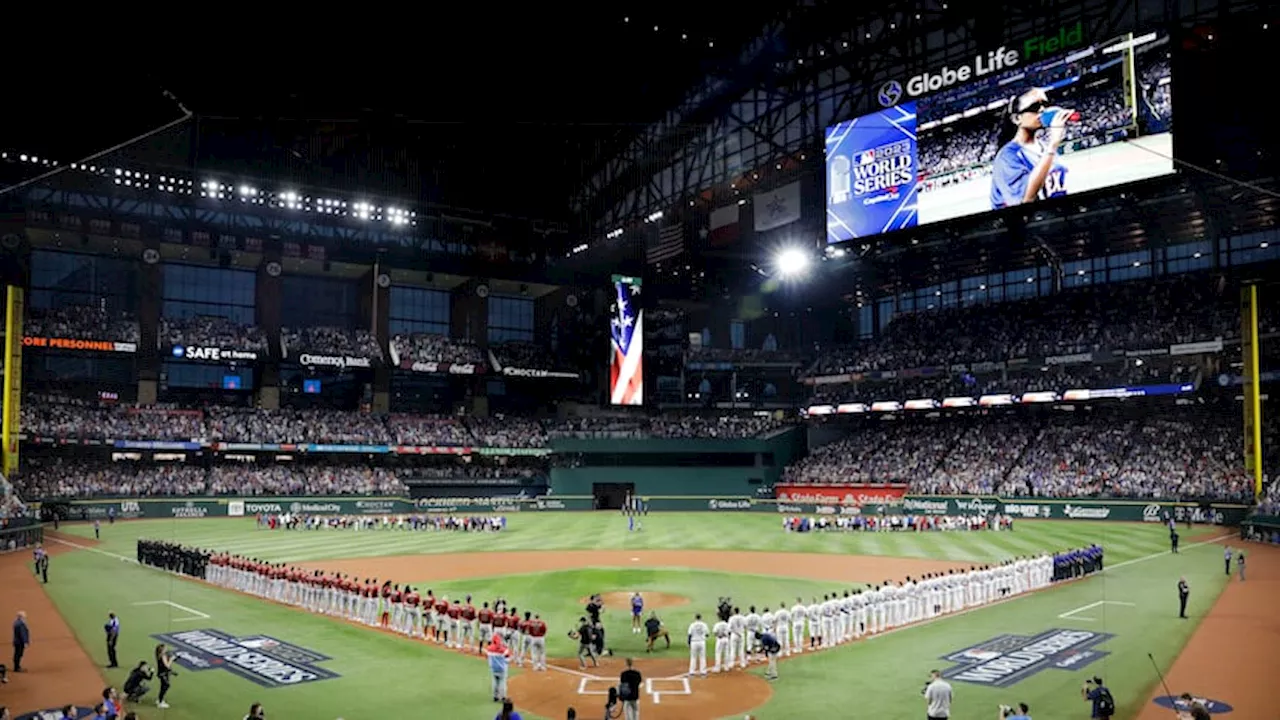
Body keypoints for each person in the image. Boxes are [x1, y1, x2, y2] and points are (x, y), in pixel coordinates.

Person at [990, 87, 1072, 209]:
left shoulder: (1044, 147)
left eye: (1045, 104)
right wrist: (1053, 143)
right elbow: (1025, 201)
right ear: (1017, 119)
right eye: (1034, 107)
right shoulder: (1007, 156)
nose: (1042, 110)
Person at [486, 633, 511, 702]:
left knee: (495, 682)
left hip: (493, 668)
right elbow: (508, 657)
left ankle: (495, 696)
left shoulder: (489, 649)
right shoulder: (503, 649)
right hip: (502, 669)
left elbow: (488, 655)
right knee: (502, 682)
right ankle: (503, 696)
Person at [154, 643, 174, 709]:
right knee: (165, 686)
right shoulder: (163, 656)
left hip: (162, 673)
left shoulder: (159, 656)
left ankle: (160, 699)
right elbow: (167, 666)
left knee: (163, 686)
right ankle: (160, 702)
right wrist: (171, 659)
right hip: (163, 674)